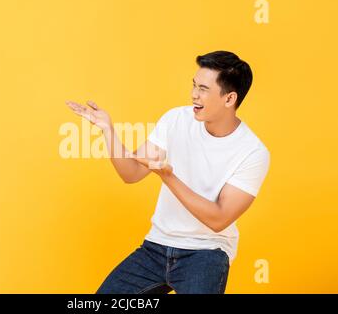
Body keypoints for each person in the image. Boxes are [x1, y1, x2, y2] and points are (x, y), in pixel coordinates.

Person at [65, 51, 270, 294]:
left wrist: (168, 177)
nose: (194, 94)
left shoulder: (252, 152)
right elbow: (131, 173)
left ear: (229, 98)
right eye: (194, 85)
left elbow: (219, 219)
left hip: (206, 253)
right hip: (156, 246)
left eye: (203, 88)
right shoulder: (176, 119)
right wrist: (108, 130)